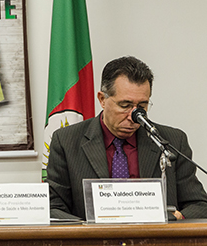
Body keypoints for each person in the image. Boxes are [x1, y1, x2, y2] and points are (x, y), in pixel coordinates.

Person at [46, 56, 207, 220]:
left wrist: (174, 218)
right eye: (125, 106)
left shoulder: (171, 141)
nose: (133, 116)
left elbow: (199, 205)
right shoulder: (66, 141)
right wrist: (89, 230)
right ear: (102, 99)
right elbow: (53, 207)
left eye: (142, 106)